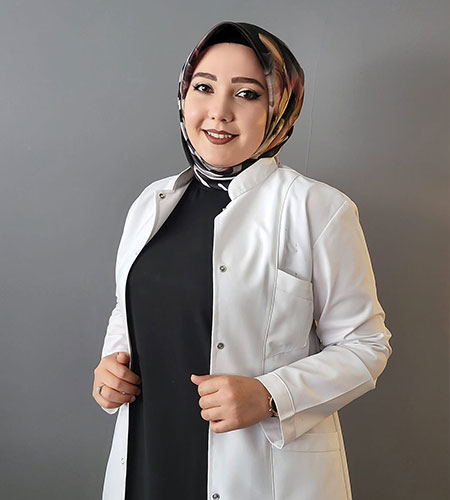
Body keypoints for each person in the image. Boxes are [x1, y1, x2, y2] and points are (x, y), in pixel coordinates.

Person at [92, 21, 393, 500]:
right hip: (149, 459)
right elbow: (127, 311)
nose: (219, 111)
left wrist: (271, 395)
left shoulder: (317, 209)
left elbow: (366, 346)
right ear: (183, 96)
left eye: (247, 94)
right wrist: (111, 364)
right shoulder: (152, 203)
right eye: (203, 87)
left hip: (257, 475)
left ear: (279, 110)